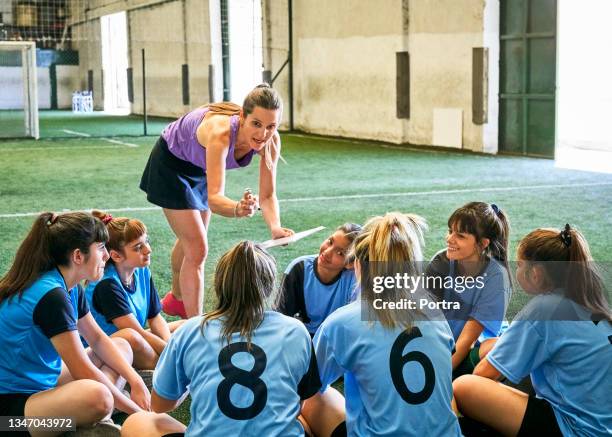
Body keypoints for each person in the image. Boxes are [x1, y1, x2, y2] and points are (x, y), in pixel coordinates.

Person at [120, 241, 321, 437]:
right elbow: (301, 399)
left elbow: (160, 405)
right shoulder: (296, 331)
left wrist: (193, 382)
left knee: (138, 422)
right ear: (269, 287)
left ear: (219, 284)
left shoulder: (190, 331)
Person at [140, 83, 294, 319]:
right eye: (256, 124)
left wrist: (275, 227)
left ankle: (177, 299)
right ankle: (194, 325)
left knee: (194, 237)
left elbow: (267, 195)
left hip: (197, 165)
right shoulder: (221, 134)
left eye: (271, 126)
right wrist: (237, 208)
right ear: (242, 117)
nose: (263, 134)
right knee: (198, 248)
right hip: (170, 163)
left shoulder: (271, 141)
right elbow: (215, 199)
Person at [303, 213, 461, 437]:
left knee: (313, 397)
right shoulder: (432, 311)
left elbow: (306, 386)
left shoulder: (344, 322)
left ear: (358, 264)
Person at [453, 225, 612, 436]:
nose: (516, 269)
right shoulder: (590, 300)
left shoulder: (544, 308)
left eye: (519, 264)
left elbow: (483, 375)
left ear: (536, 274)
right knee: (498, 345)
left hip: (575, 428)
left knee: (465, 387)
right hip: (600, 424)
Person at [0, 212, 150, 435]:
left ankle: (100, 417)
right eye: (101, 247)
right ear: (78, 256)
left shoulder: (69, 286)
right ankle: (92, 418)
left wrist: (136, 380)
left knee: (121, 345)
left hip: (44, 383)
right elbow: (83, 371)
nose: (107, 255)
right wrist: (138, 413)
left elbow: (98, 339)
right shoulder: (52, 296)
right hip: (10, 417)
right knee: (98, 398)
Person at [85, 211, 184, 370]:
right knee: (136, 340)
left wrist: (169, 346)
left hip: (135, 337)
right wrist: (174, 355)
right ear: (116, 256)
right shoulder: (107, 285)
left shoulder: (142, 271)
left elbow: (155, 317)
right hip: (105, 351)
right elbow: (136, 333)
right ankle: (161, 373)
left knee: (185, 326)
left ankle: (167, 368)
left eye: (147, 242)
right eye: (138, 247)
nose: (148, 250)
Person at [426, 202, 512, 378]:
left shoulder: (496, 277)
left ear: (482, 243)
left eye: (460, 236)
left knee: (496, 347)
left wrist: (438, 379)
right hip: (444, 342)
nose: (449, 239)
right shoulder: (441, 261)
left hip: (473, 348)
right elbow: (425, 319)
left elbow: (467, 340)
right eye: (450, 231)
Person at [276, 223, 362, 336]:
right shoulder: (299, 268)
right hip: (305, 337)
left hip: (338, 338)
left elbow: (358, 326)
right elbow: (280, 318)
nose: (327, 252)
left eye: (340, 253)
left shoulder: (356, 279)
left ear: (350, 264)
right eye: (330, 242)